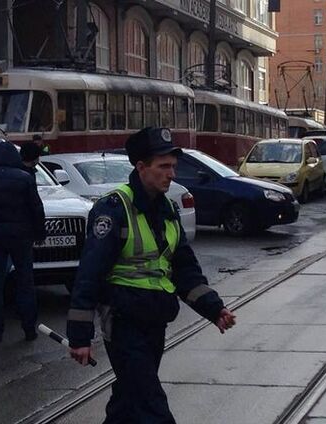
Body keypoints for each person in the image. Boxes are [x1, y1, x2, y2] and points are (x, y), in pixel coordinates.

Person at [66, 127, 236, 423]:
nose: (171, 174)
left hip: (154, 321)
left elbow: (185, 270)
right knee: (150, 404)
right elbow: (89, 274)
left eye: (173, 166)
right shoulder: (114, 208)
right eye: (163, 167)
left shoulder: (168, 210)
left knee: (128, 399)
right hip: (123, 322)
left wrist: (214, 308)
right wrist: (80, 336)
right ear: (141, 167)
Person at [0, 141, 46, 343]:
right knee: (25, 282)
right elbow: (36, 208)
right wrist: (39, 233)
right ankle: (29, 328)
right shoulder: (24, 178)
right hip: (22, 236)